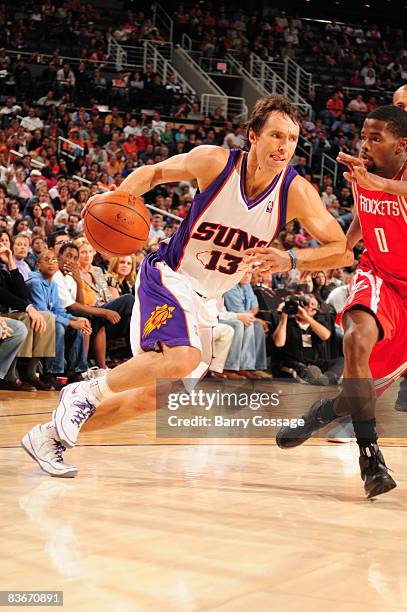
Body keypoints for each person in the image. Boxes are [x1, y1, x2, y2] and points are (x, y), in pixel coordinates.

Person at [22, 93, 352, 477]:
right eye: (277, 136)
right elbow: (153, 174)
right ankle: (82, 391)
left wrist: (292, 258)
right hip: (169, 274)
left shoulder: (295, 192)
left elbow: (342, 250)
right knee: (182, 357)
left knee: (161, 396)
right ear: (253, 136)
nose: (284, 147)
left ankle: (49, 437)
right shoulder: (214, 162)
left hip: (209, 298)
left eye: (292, 139)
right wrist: (117, 202)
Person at [277, 105, 407, 499]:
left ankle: (320, 415)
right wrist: (344, 245)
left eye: (375, 139)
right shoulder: (360, 174)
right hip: (379, 274)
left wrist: (380, 185)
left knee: (356, 394)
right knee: (355, 340)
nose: (364, 145)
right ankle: (371, 459)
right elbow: (363, 212)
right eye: (363, 136)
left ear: (402, 145)